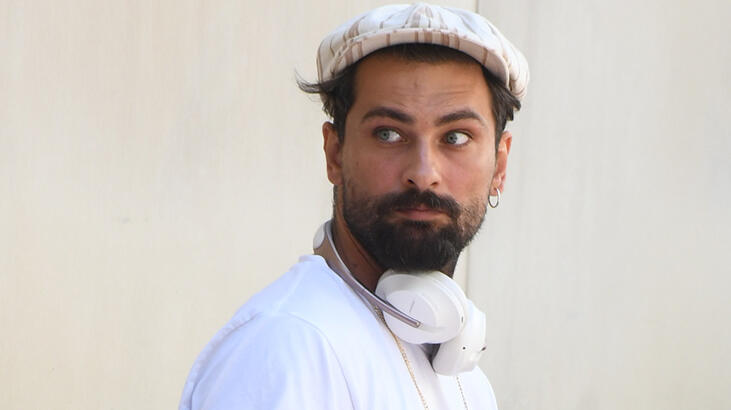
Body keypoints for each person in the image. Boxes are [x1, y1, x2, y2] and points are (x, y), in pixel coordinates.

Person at [179, 3, 528, 409]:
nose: (423, 173)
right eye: (389, 134)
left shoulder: (465, 378)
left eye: (455, 138)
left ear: (500, 165)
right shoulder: (288, 347)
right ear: (335, 154)